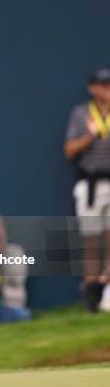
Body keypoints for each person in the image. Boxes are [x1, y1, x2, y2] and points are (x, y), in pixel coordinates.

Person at [64, 68, 110, 313]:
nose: (107, 90)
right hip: (90, 184)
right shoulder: (81, 114)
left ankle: (104, 285)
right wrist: (90, 137)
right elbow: (69, 151)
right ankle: (91, 292)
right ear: (92, 87)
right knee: (92, 241)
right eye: (102, 85)